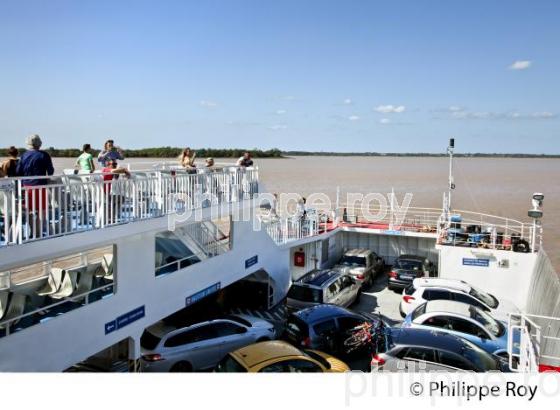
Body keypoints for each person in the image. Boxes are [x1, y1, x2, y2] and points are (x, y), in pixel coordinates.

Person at [16, 134, 55, 237]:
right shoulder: (44, 155)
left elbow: (18, 171)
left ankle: (32, 232)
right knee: (41, 211)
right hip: (40, 186)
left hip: (26, 187)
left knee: (28, 210)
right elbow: (50, 171)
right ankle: (37, 233)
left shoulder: (24, 155)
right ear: (40, 144)